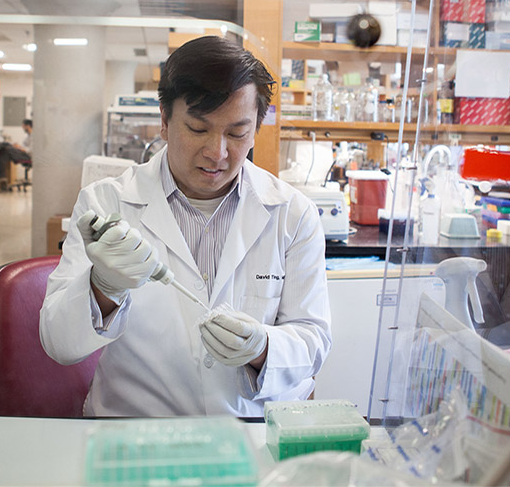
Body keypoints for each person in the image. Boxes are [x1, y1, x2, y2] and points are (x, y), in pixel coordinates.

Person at [40, 35, 331, 417]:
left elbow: (313, 340)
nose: (217, 152)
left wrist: (262, 348)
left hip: (251, 432)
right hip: (136, 434)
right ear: (164, 119)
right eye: (198, 129)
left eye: (236, 133)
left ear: (256, 128)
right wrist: (103, 286)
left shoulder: (293, 214)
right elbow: (59, 343)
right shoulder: (107, 203)